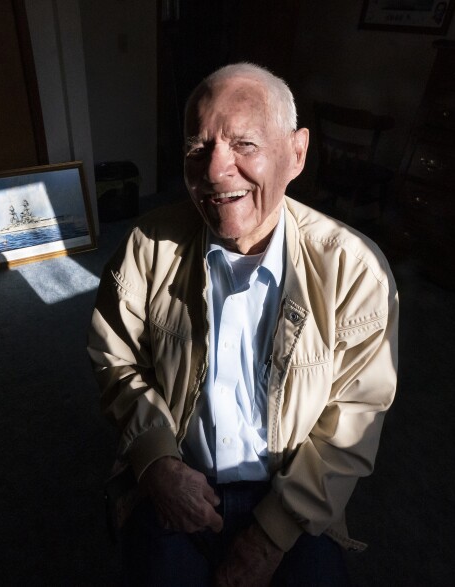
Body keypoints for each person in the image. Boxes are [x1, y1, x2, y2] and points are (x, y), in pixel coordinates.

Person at [88, 63, 398, 586]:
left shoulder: (354, 270)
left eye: (244, 144)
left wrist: (272, 534)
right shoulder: (145, 246)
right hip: (177, 473)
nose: (214, 171)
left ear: (296, 154)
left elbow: (355, 416)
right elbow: (115, 358)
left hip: (294, 492)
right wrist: (156, 462)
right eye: (197, 148)